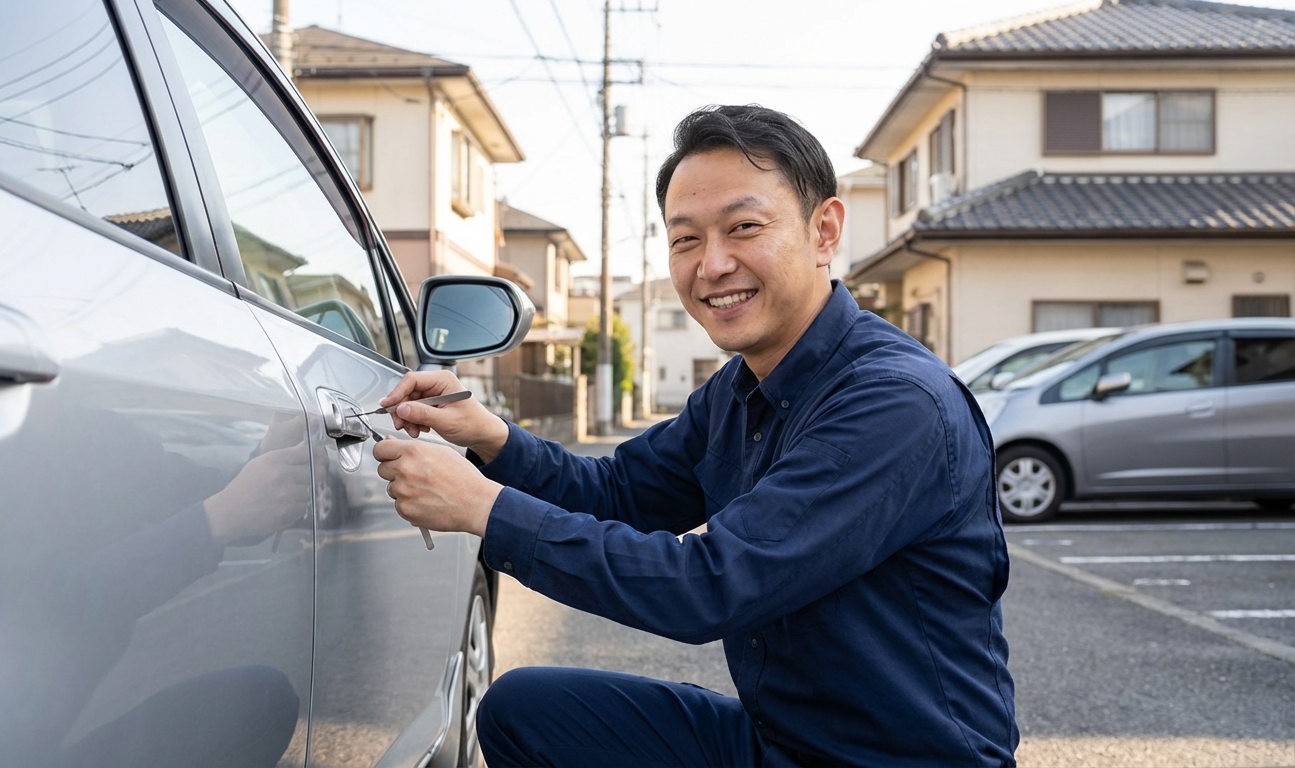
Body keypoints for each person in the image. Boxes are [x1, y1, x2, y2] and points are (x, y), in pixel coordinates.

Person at [372, 104, 1018, 767]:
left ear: (824, 231)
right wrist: (492, 439)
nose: (712, 265)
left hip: (899, 760)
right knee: (525, 711)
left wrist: (483, 509)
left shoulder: (893, 404)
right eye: (685, 240)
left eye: (743, 227)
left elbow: (711, 586)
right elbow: (621, 490)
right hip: (782, 742)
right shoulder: (738, 389)